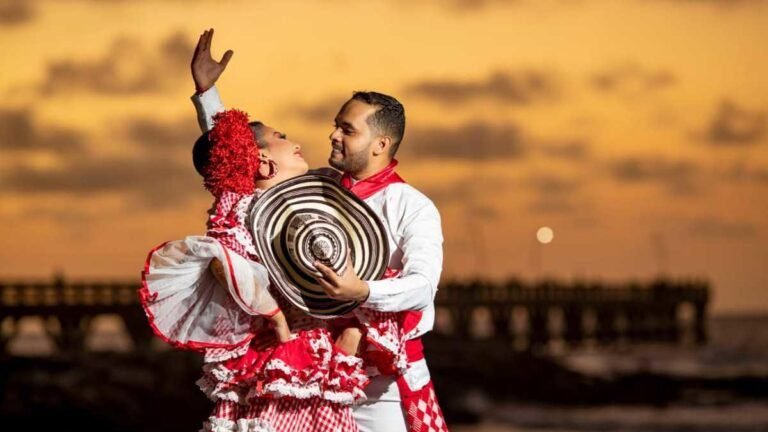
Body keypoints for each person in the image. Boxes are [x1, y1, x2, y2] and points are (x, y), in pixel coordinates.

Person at [191, 28, 448, 432]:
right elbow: (245, 168)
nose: (332, 134)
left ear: (381, 144)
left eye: (348, 129)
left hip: (379, 386)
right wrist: (208, 96)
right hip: (307, 378)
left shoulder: (412, 207)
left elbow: (422, 286)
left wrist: (363, 291)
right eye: (335, 125)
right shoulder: (314, 188)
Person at [140, 106, 369, 431]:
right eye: (281, 137)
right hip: (287, 350)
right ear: (262, 160)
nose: (293, 141)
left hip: (304, 349)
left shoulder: (279, 200)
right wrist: (275, 317)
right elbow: (224, 261)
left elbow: (229, 148)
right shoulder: (244, 208)